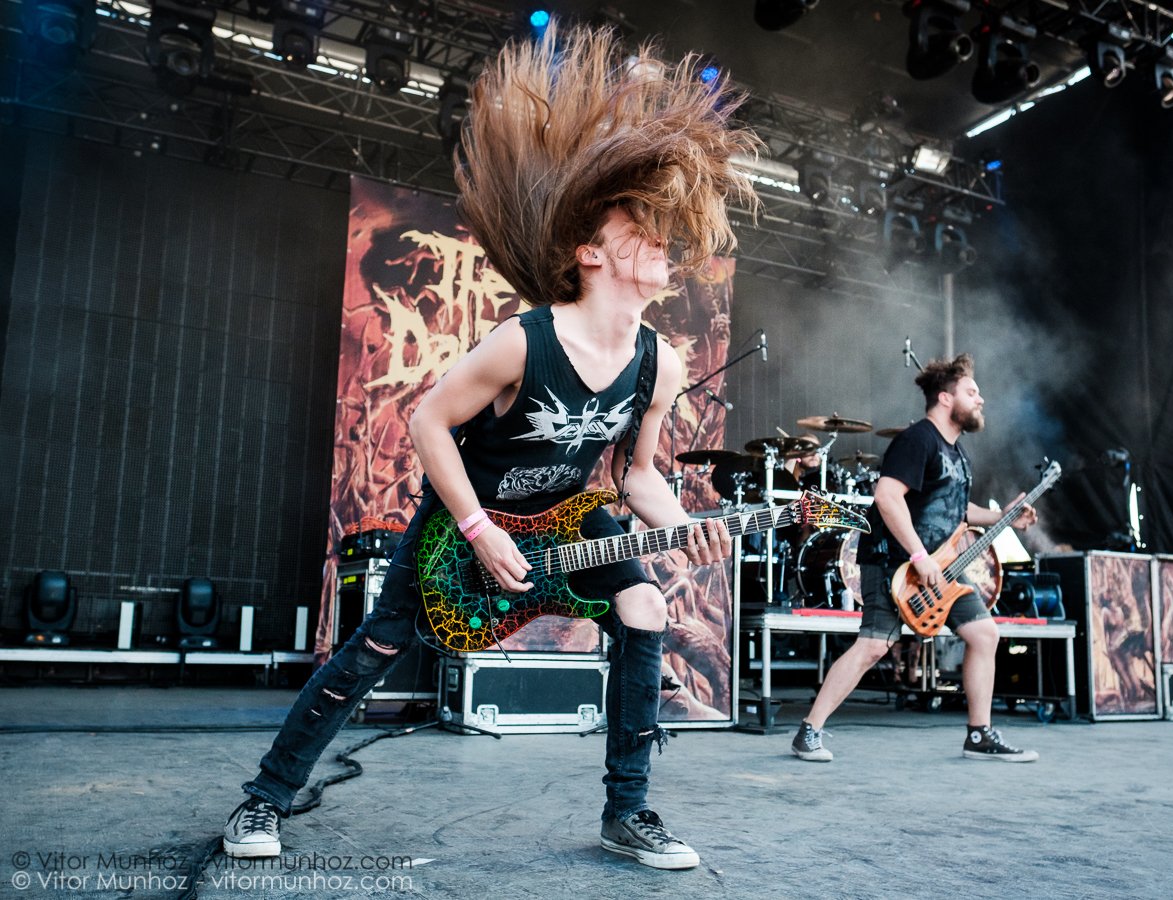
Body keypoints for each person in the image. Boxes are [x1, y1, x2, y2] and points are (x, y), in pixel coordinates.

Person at [221, 24, 760, 870]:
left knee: (645, 604)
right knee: (379, 646)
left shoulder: (662, 361)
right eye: (637, 226)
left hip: (571, 520)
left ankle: (629, 812)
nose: (659, 238)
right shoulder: (522, 342)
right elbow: (429, 422)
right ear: (589, 253)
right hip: (466, 523)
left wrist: (704, 525)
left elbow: (637, 474)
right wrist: (477, 526)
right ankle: (263, 802)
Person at [790, 353, 1040, 763]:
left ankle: (979, 735)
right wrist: (919, 555)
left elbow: (958, 512)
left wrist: (1005, 516)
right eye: (971, 392)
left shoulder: (958, 454)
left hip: (943, 569)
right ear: (945, 398)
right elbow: (886, 496)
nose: (981, 399)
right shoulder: (918, 439)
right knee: (873, 646)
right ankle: (809, 731)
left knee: (984, 634)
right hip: (895, 562)